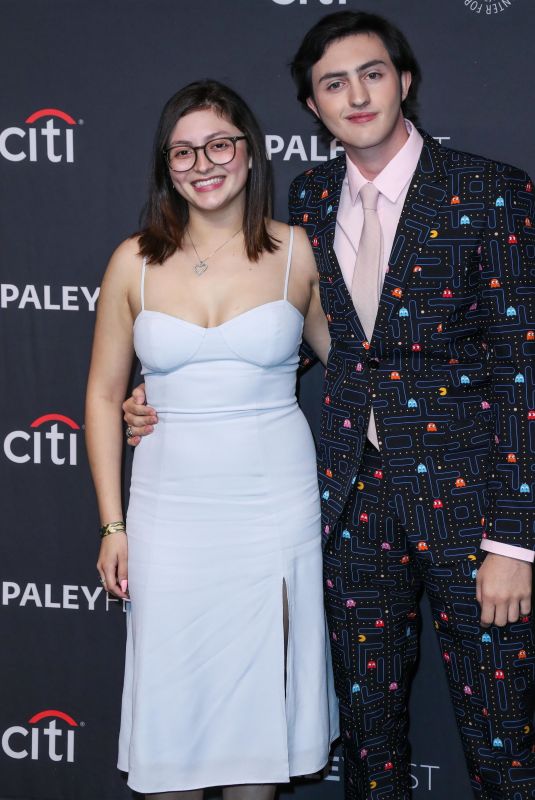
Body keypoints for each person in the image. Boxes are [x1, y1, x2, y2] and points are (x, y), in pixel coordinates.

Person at [124, 12, 535, 800]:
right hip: (350, 506)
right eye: (332, 83)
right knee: (370, 744)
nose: (355, 94)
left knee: (502, 743)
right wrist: (171, 390)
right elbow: (305, 339)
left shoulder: (489, 190)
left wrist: (514, 541)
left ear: (403, 82)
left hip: (471, 508)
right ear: (312, 107)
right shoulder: (307, 206)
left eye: (371, 73)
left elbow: (523, 369)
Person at [85, 79, 338, 800]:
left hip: (272, 508)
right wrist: (113, 525)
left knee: (255, 734)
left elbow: (353, 370)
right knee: (174, 733)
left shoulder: (298, 254)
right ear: (166, 165)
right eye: (183, 151)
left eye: (218, 144)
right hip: (169, 511)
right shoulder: (131, 260)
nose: (203, 163)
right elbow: (104, 395)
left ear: (250, 154)